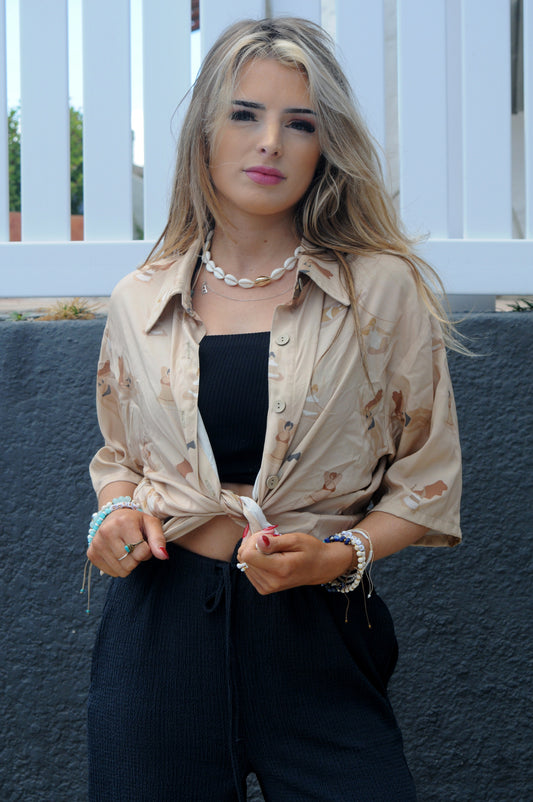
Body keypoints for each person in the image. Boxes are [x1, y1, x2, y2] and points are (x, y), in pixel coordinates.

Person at [85, 16, 462, 802]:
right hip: (160, 632)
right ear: (203, 136)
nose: (269, 143)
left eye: (300, 123)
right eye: (244, 114)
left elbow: (425, 480)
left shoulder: (379, 289)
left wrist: (339, 557)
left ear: (325, 147)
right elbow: (119, 457)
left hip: (317, 627)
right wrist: (114, 516)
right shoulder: (138, 299)